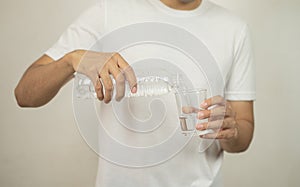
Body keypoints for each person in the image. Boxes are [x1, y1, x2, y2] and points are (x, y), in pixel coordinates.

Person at [14, 0, 255, 186]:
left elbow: (243, 132)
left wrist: (229, 130)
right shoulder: (109, 11)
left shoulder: (234, 29)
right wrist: (72, 60)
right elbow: (25, 94)